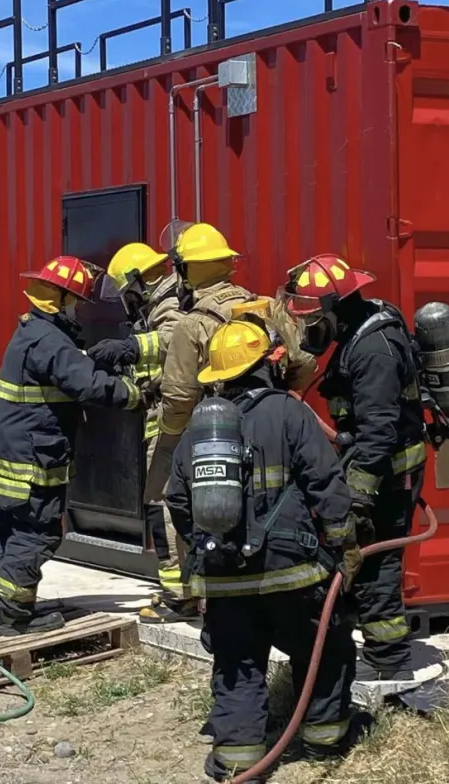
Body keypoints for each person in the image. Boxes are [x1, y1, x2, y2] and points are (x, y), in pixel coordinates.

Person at [166, 320, 362, 781]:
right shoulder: (289, 413)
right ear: (270, 363)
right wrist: (344, 543)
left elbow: (176, 498)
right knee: (323, 649)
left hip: (223, 575)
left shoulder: (200, 429)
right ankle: (324, 739)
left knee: (237, 664)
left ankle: (238, 759)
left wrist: (205, 545)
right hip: (290, 572)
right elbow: (327, 485)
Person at [147, 221, 319, 624]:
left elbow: (177, 396)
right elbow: (304, 362)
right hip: (270, 427)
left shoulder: (193, 324)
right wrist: (282, 402)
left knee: (169, 497)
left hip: (211, 428)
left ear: (186, 271)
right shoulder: (266, 308)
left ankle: (183, 595)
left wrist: (172, 443)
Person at [0, 256, 141, 637]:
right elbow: (87, 386)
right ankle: (16, 613)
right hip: (35, 456)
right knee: (38, 531)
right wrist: (130, 392)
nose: (79, 309)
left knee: (6, 523)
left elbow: (65, 372)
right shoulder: (50, 341)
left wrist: (88, 358)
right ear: (58, 298)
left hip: (14, 450)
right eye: (75, 300)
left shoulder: (31, 331)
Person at [280, 253, 427, 680]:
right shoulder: (359, 330)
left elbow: (379, 431)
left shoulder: (373, 351)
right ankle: (374, 653)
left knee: (376, 564)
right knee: (360, 559)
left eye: (311, 319)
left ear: (333, 309)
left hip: (386, 474)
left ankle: (391, 664)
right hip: (371, 464)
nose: (309, 328)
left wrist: (359, 497)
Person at [87, 241, 192, 621]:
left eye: (123, 292)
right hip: (163, 423)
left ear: (135, 283)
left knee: (160, 506)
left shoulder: (169, 305)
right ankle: (184, 589)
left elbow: (176, 342)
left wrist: (129, 347)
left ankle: (179, 595)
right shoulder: (159, 305)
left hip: (174, 428)